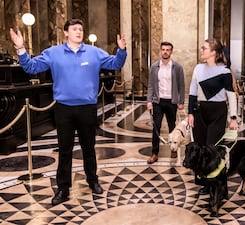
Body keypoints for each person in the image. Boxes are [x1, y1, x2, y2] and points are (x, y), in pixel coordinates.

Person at [9, 18, 127, 205]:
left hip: (87, 108)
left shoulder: (94, 52)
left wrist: (121, 50)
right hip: (63, 109)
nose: (79, 32)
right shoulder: (53, 53)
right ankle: (63, 189)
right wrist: (21, 49)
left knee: (89, 148)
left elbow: (115, 64)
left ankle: (93, 181)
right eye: (74, 29)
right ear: (66, 33)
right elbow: (31, 67)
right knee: (65, 150)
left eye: (81, 29)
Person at [187, 38, 238, 193]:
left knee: (211, 149)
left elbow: (231, 95)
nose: (201, 51)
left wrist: (233, 117)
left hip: (218, 112)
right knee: (200, 148)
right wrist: (190, 113)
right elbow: (192, 92)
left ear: (213, 52)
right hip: (199, 111)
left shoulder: (224, 71)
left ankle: (215, 183)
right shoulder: (197, 68)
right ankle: (204, 182)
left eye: (204, 48)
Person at [146, 41, 185, 164]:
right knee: (156, 127)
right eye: (163, 49)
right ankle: (154, 153)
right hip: (158, 101)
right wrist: (149, 101)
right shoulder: (154, 67)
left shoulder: (177, 67)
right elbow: (151, 85)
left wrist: (181, 101)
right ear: (160, 51)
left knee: (172, 127)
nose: (165, 52)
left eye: (168, 50)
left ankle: (174, 149)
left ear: (171, 52)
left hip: (171, 101)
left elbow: (181, 86)